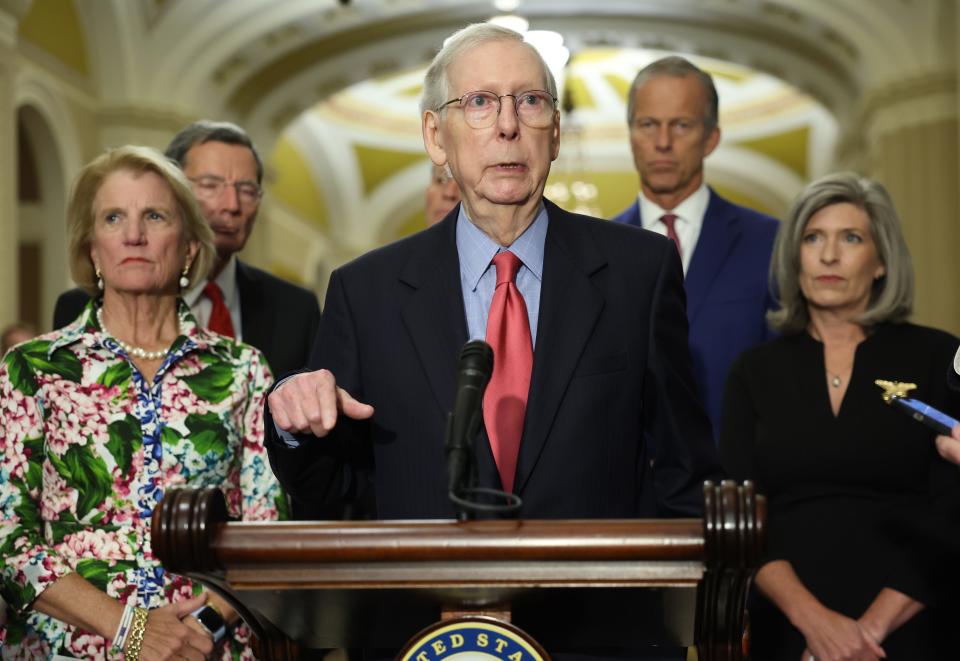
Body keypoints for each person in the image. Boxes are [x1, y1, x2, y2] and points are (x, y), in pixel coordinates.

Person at [267, 22, 720, 526]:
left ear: (555, 135)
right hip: (431, 598)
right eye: (480, 102)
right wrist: (293, 421)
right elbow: (337, 483)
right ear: (436, 138)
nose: (508, 126)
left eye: (529, 101)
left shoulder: (640, 271)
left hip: (594, 597)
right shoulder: (365, 293)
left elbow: (685, 470)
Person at [0, 145, 285, 659]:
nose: (133, 235)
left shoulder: (243, 369)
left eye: (154, 216)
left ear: (190, 249)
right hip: (69, 647)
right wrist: (132, 630)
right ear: (92, 249)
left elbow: (268, 532)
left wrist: (197, 632)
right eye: (113, 218)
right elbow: (8, 539)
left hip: (208, 648)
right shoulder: (32, 369)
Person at [720, 172, 960, 660]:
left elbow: (953, 511)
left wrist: (864, 635)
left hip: (909, 626)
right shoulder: (754, 370)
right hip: (788, 627)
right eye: (813, 238)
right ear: (795, 256)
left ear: (881, 262)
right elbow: (739, 517)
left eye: (851, 238)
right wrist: (818, 626)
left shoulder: (938, 357)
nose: (829, 256)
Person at [52, 120, 321, 381]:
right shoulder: (75, 311)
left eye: (247, 190)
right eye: (209, 185)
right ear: (172, 192)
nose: (231, 205)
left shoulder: (296, 310)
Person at [613, 56, 779, 436]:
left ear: (711, 138)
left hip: (736, 481)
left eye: (681, 125)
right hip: (631, 486)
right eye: (648, 125)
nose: (662, 142)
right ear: (631, 135)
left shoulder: (770, 242)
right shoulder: (599, 251)